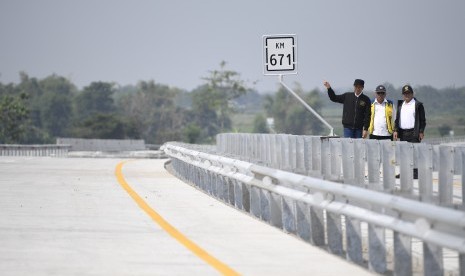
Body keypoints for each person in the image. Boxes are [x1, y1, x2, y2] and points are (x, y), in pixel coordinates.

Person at [393, 84, 426, 179]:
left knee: (414, 154)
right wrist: (395, 130)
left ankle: (415, 173)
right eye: (405, 93)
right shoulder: (400, 105)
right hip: (403, 133)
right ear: (403, 95)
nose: (407, 95)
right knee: (403, 154)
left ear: (412, 93)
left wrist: (421, 131)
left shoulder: (417, 105)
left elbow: (423, 120)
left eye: (408, 93)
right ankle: (404, 172)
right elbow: (397, 119)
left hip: (414, 132)